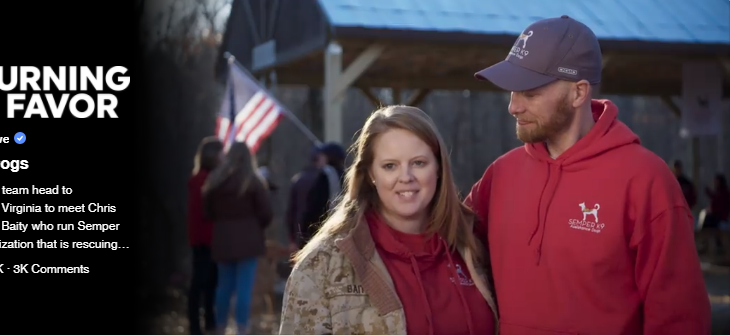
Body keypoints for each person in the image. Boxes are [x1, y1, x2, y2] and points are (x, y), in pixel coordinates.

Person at [466, 15, 710, 334]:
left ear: (579, 92)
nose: (513, 106)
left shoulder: (646, 179)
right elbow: (443, 252)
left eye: (529, 91)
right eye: (512, 91)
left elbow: (679, 318)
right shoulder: (500, 174)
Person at [279, 105, 498, 335]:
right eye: (390, 166)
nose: (406, 177)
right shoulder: (323, 264)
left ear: (439, 168)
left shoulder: (473, 247)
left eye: (419, 163)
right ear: (371, 174)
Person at [203, 141, 274, 334]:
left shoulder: (215, 181)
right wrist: (256, 226)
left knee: (224, 286)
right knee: (244, 287)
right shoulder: (253, 181)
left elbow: (208, 211)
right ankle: (242, 327)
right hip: (248, 240)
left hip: (223, 240)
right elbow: (266, 212)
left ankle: (220, 326)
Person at [186, 136, 223, 335]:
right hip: (203, 239)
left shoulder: (207, 179)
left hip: (211, 239)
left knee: (212, 283)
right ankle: (195, 325)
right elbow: (203, 212)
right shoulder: (200, 180)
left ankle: (210, 321)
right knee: (200, 283)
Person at [298, 142, 346, 248]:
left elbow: (314, 206)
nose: (319, 158)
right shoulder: (348, 176)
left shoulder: (325, 176)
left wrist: (304, 233)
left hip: (323, 232)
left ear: (329, 157)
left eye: (322, 156)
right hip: (345, 232)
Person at [285, 148, 325, 252]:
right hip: (323, 232)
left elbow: (291, 212)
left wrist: (292, 239)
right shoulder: (325, 179)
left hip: (300, 234)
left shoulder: (298, 179)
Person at [700, 173, 730, 263]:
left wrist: (710, 194)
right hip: (715, 218)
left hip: (720, 218)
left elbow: (719, 204)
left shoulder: (724, 192)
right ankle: (705, 242)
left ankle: (711, 244)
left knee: (709, 220)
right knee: (706, 218)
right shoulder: (718, 191)